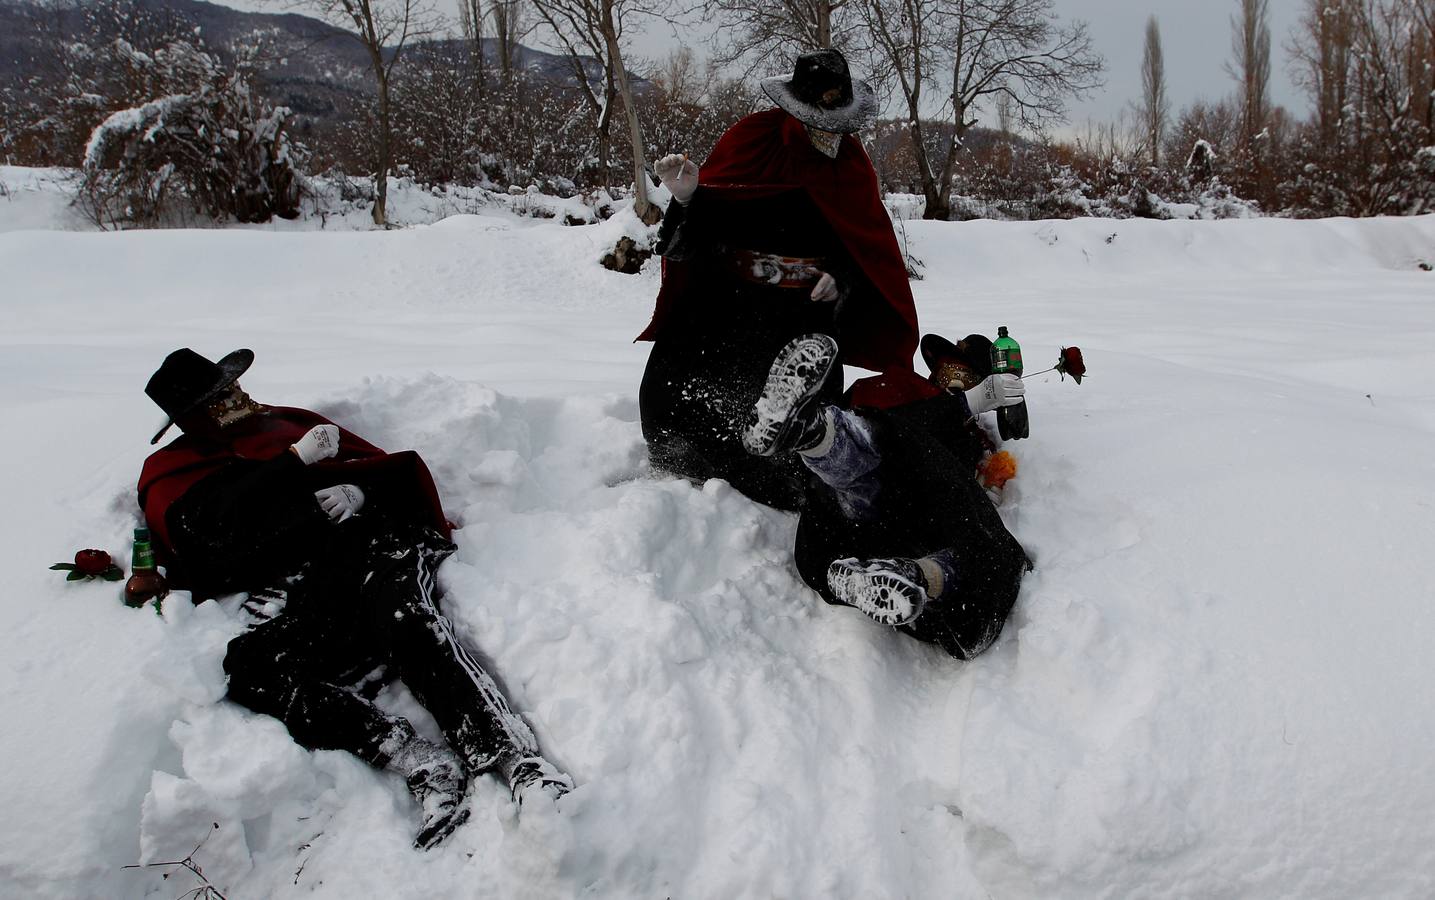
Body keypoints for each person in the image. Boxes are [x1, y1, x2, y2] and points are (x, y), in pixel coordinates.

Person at [136, 348, 570, 850]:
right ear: (202, 412)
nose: (243, 395)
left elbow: (389, 472)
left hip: (377, 545)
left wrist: (362, 494)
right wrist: (293, 464)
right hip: (322, 578)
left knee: (404, 621)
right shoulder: (179, 472)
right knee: (252, 665)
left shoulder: (286, 425)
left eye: (234, 387)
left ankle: (514, 759)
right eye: (226, 393)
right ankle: (412, 756)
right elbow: (210, 537)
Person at [637, 48, 922, 511]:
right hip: (730, 304)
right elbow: (695, 240)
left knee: (795, 435)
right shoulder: (752, 141)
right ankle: (690, 471)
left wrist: (841, 275)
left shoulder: (849, 166)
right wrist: (688, 199)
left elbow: (864, 245)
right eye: (817, 119)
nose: (829, 134)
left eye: (837, 122)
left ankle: (774, 479)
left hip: (799, 317)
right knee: (677, 401)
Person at [743, 332, 1033, 660]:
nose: (958, 380)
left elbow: (963, 503)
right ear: (938, 368)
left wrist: (983, 491)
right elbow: (887, 429)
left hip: (865, 555)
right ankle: (812, 434)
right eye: (954, 369)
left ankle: (909, 577)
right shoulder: (900, 386)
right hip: (850, 503)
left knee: (1002, 554)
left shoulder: (973, 438)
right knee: (890, 443)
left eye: (969, 378)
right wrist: (960, 405)